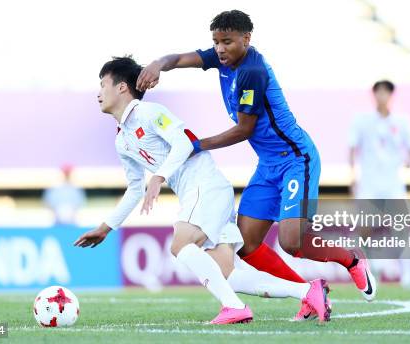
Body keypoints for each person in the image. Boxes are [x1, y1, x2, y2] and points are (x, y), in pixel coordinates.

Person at [136, 10, 377, 309]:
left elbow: (244, 129)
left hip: (295, 159)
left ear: (246, 39)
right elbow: (180, 59)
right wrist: (158, 64)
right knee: (247, 244)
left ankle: (351, 259)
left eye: (227, 41)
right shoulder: (222, 58)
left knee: (292, 242)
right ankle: (308, 294)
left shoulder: (252, 72)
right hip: (267, 165)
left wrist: (196, 145)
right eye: (216, 42)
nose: (220, 49)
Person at [74, 57, 331, 324]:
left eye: (103, 84)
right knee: (230, 273)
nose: (98, 92)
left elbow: (185, 144)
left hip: (204, 186)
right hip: (202, 194)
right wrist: (106, 227)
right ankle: (307, 291)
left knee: (181, 244)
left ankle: (234, 307)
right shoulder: (122, 141)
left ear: (122, 87)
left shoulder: (149, 113)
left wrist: (159, 176)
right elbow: (135, 188)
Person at [348, 80, 410, 287]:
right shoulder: (362, 121)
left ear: (391, 95)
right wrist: (353, 176)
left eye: (386, 92)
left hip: (392, 182)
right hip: (369, 182)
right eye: (379, 92)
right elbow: (352, 148)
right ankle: (369, 268)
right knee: (364, 228)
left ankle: (408, 276)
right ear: (374, 95)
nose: (382, 96)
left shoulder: (401, 121)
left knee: (401, 227)